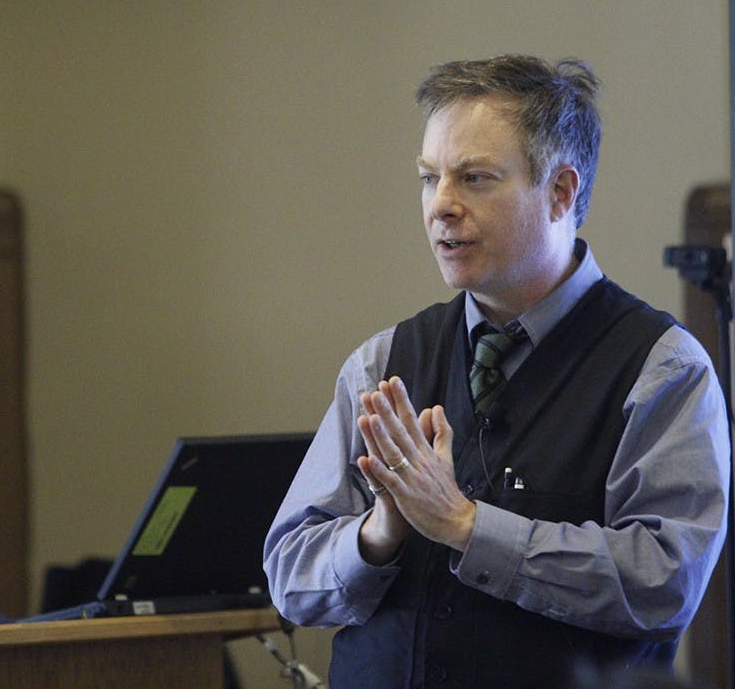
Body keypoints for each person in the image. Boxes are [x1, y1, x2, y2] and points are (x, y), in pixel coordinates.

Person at [263, 55, 730, 688]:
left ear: (560, 192)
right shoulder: (382, 361)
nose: (441, 207)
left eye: (474, 178)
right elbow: (291, 578)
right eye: (430, 179)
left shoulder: (663, 369)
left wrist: (464, 525)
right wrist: (380, 530)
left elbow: (663, 581)